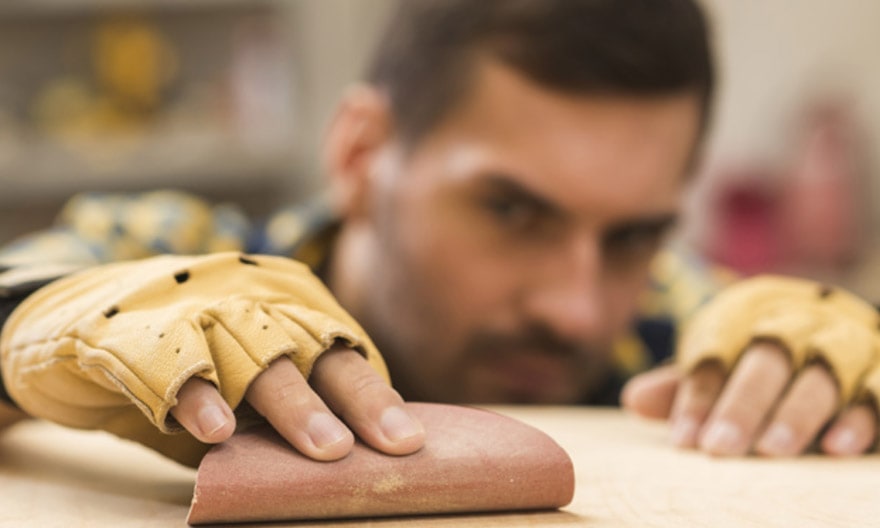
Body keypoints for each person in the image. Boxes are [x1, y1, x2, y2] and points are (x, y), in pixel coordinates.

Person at [0, 0, 877, 468]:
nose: (575, 310)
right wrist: (40, 318)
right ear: (360, 152)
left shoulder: (678, 327)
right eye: (512, 212)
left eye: (632, 236)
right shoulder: (169, 247)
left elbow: (795, 342)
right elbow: (39, 279)